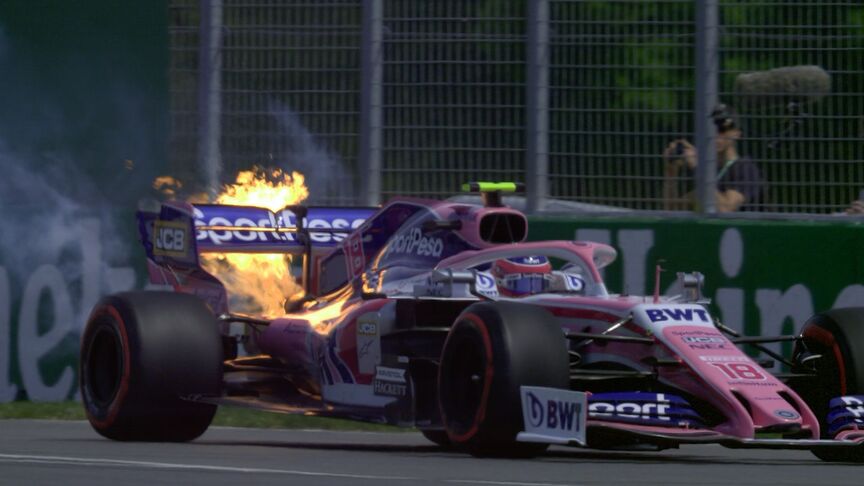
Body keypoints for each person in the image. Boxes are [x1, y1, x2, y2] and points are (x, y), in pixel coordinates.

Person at [662, 104, 764, 212]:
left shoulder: (745, 167)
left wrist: (697, 166)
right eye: (711, 129)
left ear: (737, 134)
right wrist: (671, 172)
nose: (716, 135)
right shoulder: (711, 171)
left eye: (722, 129)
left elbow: (725, 208)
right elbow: (673, 209)